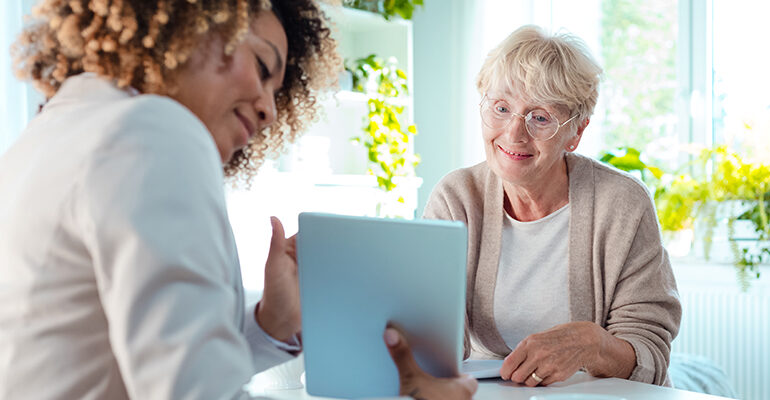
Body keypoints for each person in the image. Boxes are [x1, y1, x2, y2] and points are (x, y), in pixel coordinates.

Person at [0, 0, 477, 399]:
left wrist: (272, 323)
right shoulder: (156, 132)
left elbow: (140, 365)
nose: (270, 110)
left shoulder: (50, 134)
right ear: (190, 24)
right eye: (264, 67)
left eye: (278, 90)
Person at [423, 25, 681, 388]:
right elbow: (429, 334)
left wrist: (591, 344)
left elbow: (649, 352)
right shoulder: (456, 198)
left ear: (575, 132)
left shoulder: (622, 204)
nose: (514, 133)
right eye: (501, 108)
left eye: (540, 117)